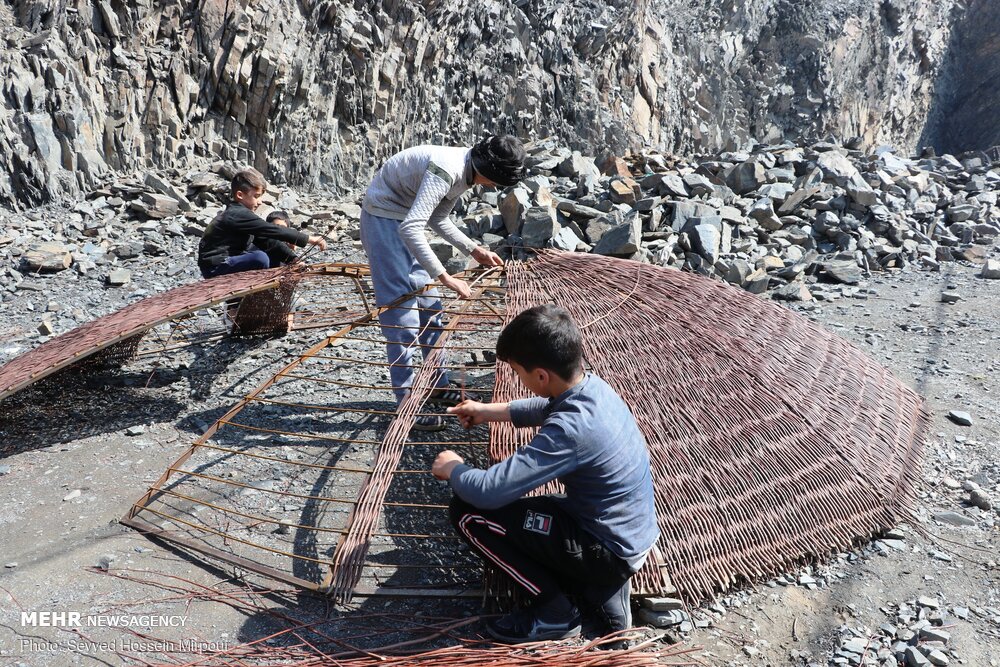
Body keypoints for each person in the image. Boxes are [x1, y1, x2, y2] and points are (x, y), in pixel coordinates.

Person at [432, 305, 659, 644]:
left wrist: (454, 468)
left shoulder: (570, 432)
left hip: (605, 549)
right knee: (532, 510)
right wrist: (486, 412)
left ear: (540, 376)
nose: (517, 380)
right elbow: (547, 406)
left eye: (517, 372)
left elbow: (489, 491)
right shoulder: (592, 387)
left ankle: (555, 615)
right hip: (625, 533)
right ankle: (602, 588)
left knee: (467, 512)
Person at [361, 134, 526, 430]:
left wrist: (474, 249)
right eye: (497, 181)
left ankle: (437, 383)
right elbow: (413, 227)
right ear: (488, 170)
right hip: (383, 217)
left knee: (431, 308)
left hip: (406, 218)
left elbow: (437, 218)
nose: (494, 187)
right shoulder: (447, 170)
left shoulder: (466, 171)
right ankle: (407, 406)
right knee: (402, 318)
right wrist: (445, 277)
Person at [198, 169, 327, 279]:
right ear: (240, 195)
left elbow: (267, 240)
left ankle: (238, 304)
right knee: (260, 258)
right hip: (215, 266)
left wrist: (293, 259)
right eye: (256, 196)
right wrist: (310, 239)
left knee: (270, 254)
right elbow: (272, 230)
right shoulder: (237, 214)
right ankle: (249, 297)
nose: (260, 202)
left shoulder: (241, 215)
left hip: (224, 263)